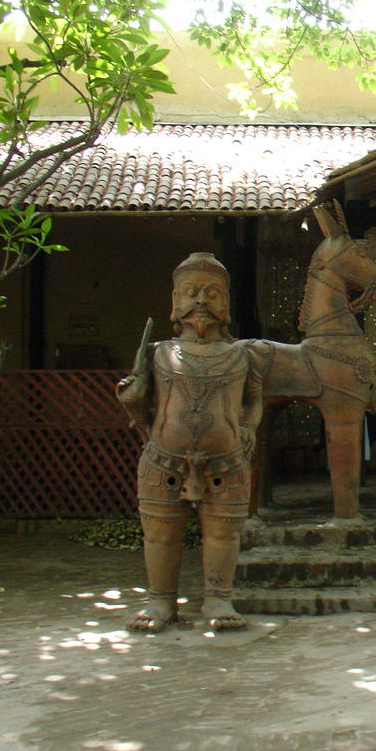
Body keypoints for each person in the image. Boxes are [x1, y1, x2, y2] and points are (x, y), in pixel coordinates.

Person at [116, 253, 273, 632]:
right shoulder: (158, 353)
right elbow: (143, 409)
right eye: (191, 292)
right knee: (160, 533)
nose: (201, 300)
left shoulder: (243, 355)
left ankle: (218, 599)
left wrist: (248, 428)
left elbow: (254, 401)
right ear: (175, 301)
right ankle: (161, 602)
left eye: (213, 293)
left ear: (226, 303)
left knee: (223, 532)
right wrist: (132, 401)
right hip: (162, 460)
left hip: (227, 461)